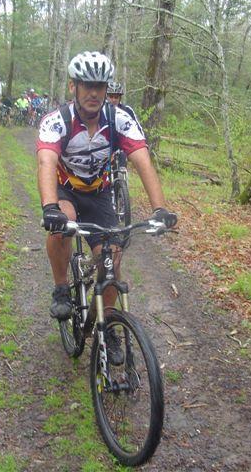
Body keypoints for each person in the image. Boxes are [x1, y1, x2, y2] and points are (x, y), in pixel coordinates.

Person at [36, 51, 177, 364]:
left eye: (99, 86)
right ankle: (61, 288)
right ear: (73, 86)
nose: (94, 93)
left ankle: (108, 327)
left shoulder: (118, 119)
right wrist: (50, 208)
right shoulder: (57, 121)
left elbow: (142, 159)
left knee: (111, 260)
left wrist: (159, 209)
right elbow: (46, 160)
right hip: (66, 190)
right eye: (87, 85)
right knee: (64, 223)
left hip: (100, 194)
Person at [107, 81, 144, 168]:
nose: (113, 100)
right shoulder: (101, 110)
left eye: (116, 97)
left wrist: (143, 145)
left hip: (121, 146)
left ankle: (121, 179)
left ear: (120, 98)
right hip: (104, 146)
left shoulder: (127, 110)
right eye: (111, 96)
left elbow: (137, 128)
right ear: (107, 96)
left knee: (121, 164)